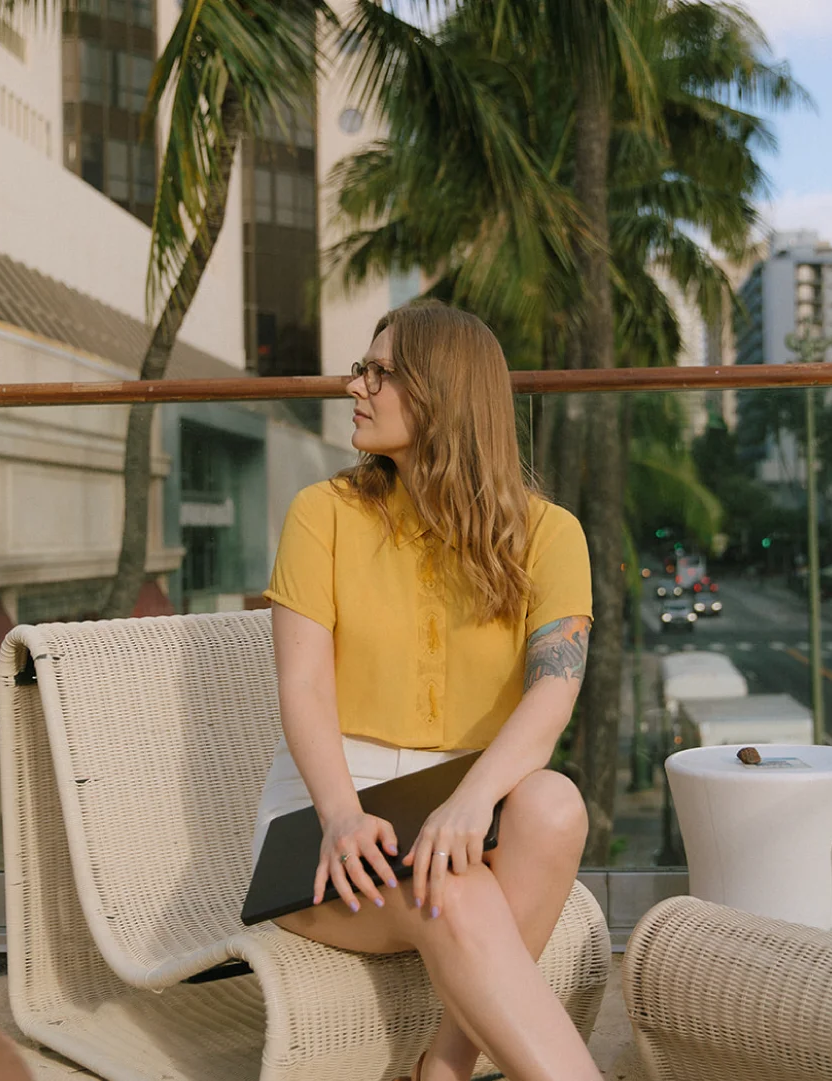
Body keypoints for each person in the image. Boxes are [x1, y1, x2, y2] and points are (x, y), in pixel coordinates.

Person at [253, 301, 598, 1081]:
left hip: (457, 808)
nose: (354, 386)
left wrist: (471, 801)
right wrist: (342, 815)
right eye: (361, 369)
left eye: (380, 373)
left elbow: (552, 696)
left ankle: (439, 1066)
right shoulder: (323, 514)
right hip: (327, 817)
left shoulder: (550, 534)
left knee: (554, 805)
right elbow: (302, 686)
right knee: (459, 888)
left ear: (442, 394)